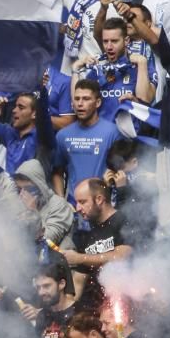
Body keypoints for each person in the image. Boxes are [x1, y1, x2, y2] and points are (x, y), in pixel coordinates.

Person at [63, 178, 135, 310]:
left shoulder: (124, 220)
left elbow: (121, 256)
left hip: (126, 303)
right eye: (77, 202)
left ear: (99, 199)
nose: (78, 208)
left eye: (82, 202)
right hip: (97, 309)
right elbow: (78, 282)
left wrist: (79, 258)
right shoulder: (88, 235)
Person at [70, 17, 154, 118]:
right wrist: (75, 69)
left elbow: (145, 99)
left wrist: (142, 63)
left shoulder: (142, 66)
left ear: (126, 41)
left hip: (130, 132)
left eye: (114, 41)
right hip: (102, 132)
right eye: (105, 41)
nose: (109, 47)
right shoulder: (98, 70)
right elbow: (78, 104)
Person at [52, 80, 121, 200]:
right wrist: (61, 201)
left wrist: (106, 189)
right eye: (77, 99)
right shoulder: (62, 135)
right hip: (74, 207)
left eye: (86, 99)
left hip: (102, 203)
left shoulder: (112, 132)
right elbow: (57, 172)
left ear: (98, 102)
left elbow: (120, 172)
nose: (80, 103)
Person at [14, 160, 75, 248]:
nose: (22, 194)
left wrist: (32, 213)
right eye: (19, 189)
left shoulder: (59, 205)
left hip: (57, 258)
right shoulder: (20, 204)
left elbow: (48, 241)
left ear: (40, 186)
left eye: (28, 188)